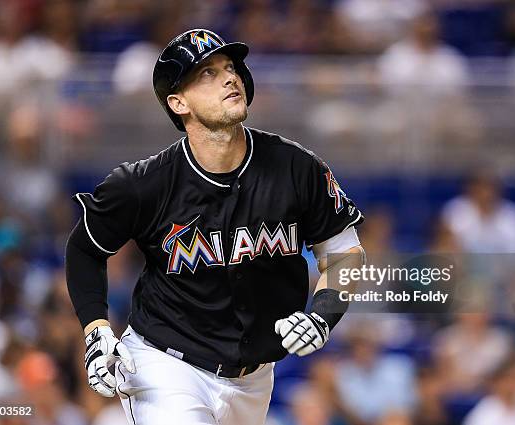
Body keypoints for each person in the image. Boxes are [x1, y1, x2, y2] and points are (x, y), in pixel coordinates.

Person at [65, 28, 365, 425]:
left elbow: (345, 252)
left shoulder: (296, 168)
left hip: (255, 377)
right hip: (164, 366)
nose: (229, 77)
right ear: (178, 102)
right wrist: (97, 328)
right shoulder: (143, 183)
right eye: (206, 73)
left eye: (230, 68)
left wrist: (322, 315)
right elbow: (85, 249)